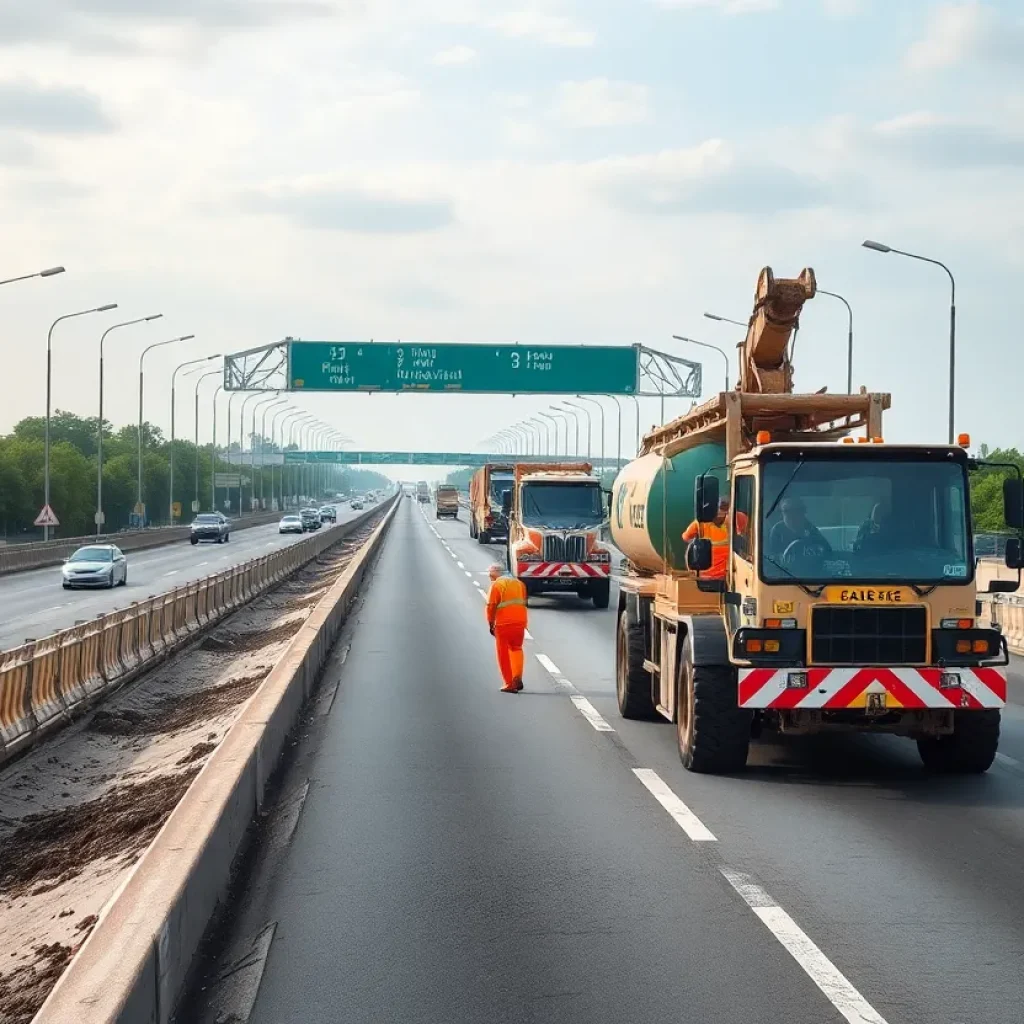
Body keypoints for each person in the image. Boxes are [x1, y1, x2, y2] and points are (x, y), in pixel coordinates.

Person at [485, 564, 528, 693]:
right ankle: (517, 677)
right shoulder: (519, 584)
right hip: (520, 622)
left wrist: (491, 623)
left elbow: (491, 606)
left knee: (502, 653)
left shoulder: (497, 585)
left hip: (503, 624)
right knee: (516, 649)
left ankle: (509, 683)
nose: (490, 578)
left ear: (497, 574)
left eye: (491, 576)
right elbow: (524, 601)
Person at [682, 497, 747, 579]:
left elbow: (686, 537)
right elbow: (686, 537)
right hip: (713, 576)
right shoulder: (700, 524)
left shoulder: (733, 520)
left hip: (725, 576)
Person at [767, 496, 831, 562]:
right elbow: (769, 557)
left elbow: (827, 552)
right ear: (782, 514)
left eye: (797, 511)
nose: (792, 516)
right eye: (787, 511)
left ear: (803, 513)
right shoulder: (777, 531)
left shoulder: (810, 529)